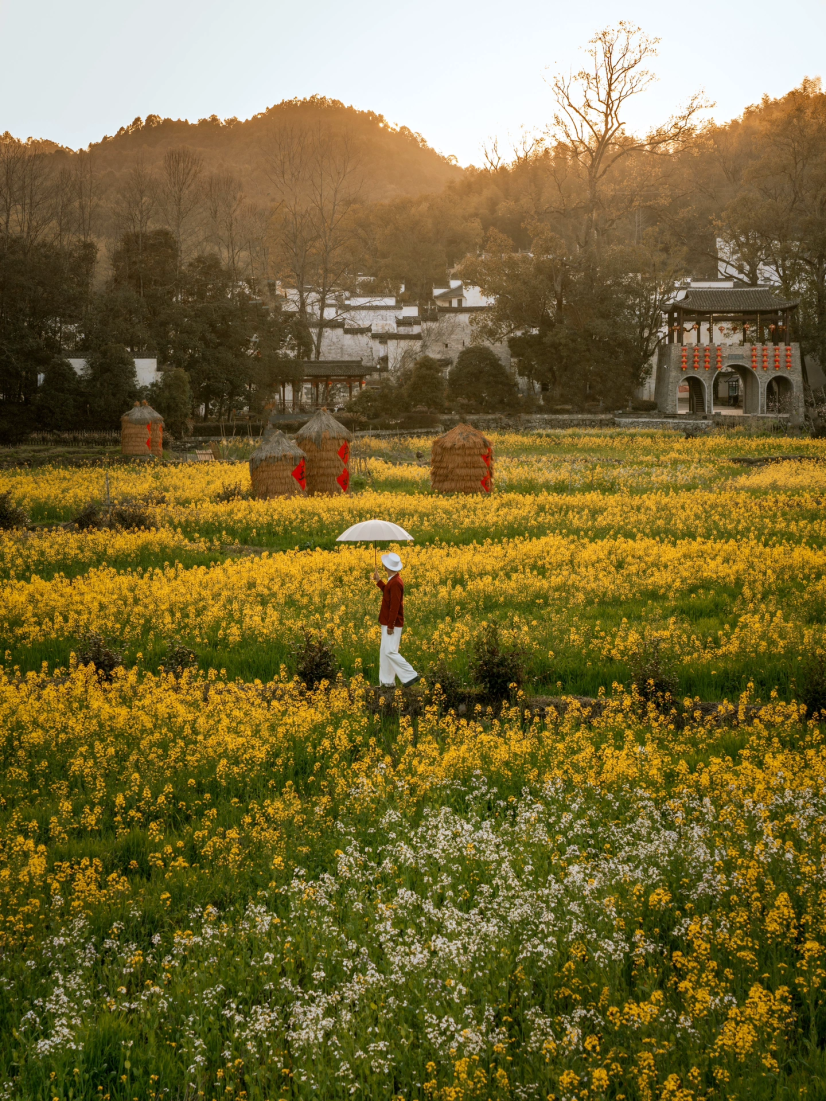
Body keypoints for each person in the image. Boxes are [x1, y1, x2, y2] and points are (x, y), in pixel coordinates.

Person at [372, 552, 420, 688]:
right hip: (387, 622)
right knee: (384, 651)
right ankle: (387, 682)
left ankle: (410, 675)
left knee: (390, 651)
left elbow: (394, 606)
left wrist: (391, 625)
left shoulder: (396, 583)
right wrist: (378, 581)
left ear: (387, 567)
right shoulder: (393, 581)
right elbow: (388, 593)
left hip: (391, 623)